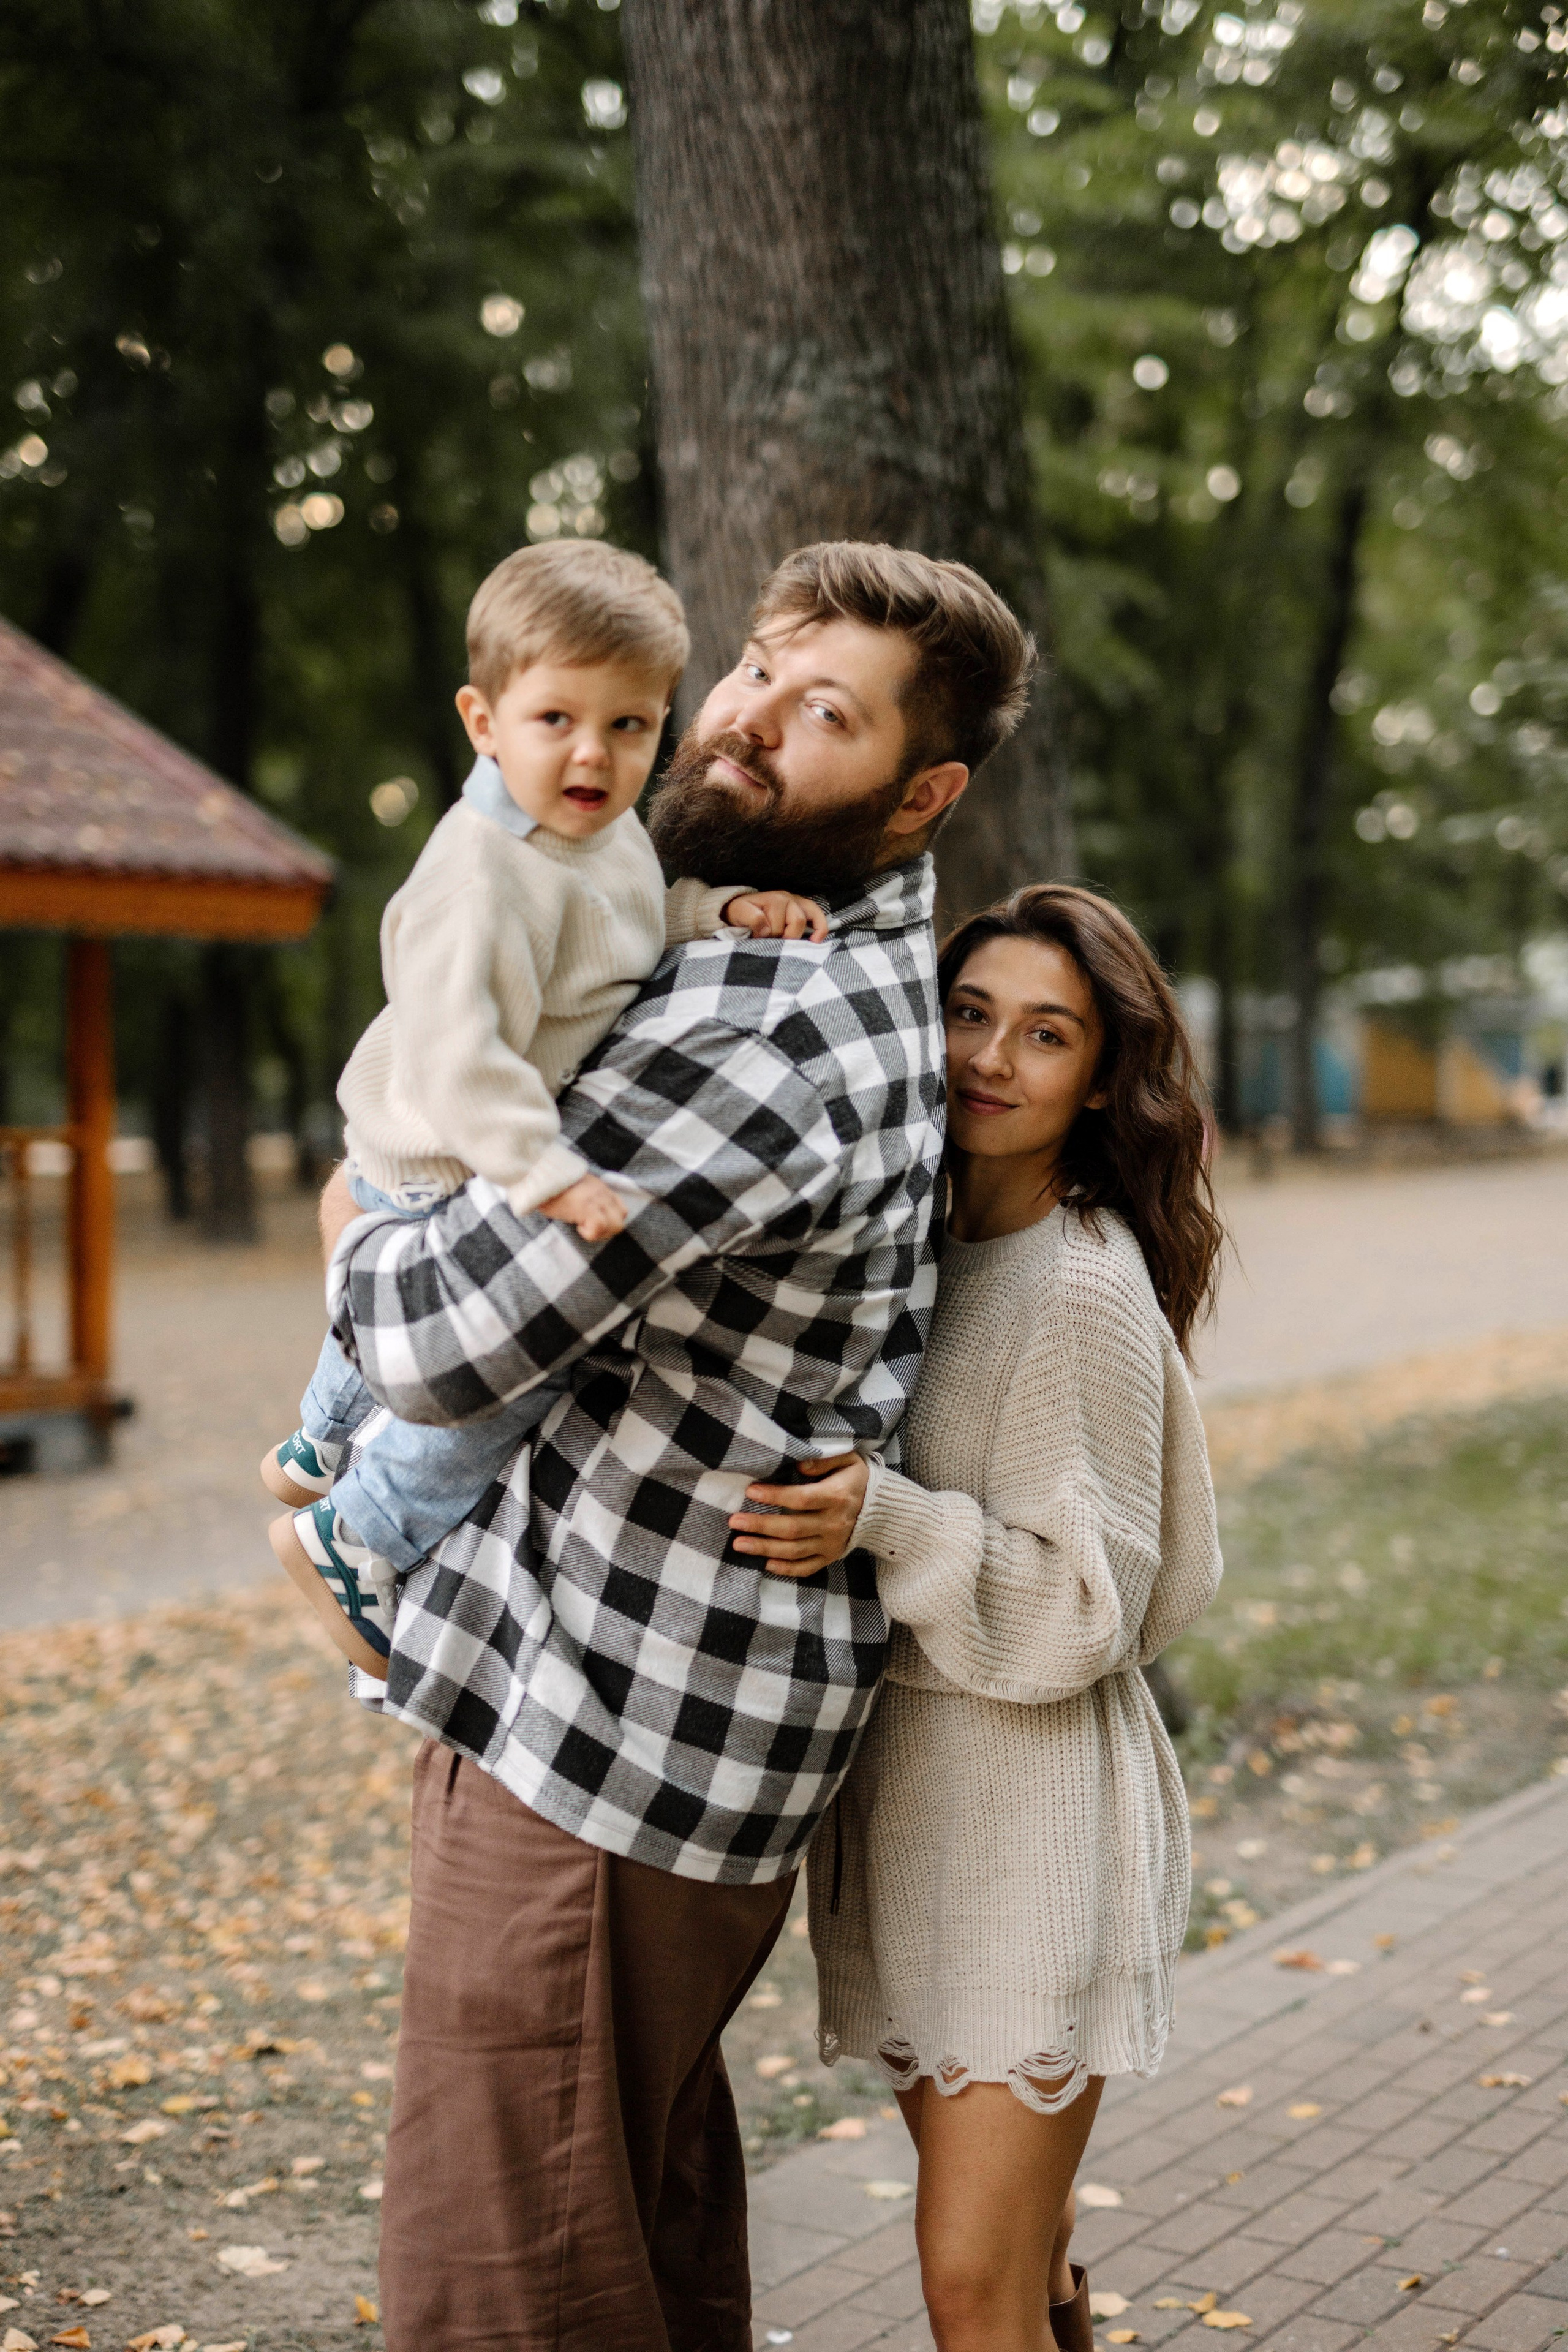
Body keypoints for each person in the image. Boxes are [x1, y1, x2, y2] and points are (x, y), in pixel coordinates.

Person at [318, 542, 1038, 2352]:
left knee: (507, 2287)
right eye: (758, 670)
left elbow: (436, 1339)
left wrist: (345, 1219)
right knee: (625, 2239)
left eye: (827, 714)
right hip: (667, 1739)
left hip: (601, 1742)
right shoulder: (764, 945)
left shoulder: (765, 1027)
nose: (743, 722)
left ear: (919, 792)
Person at [728, 884, 1225, 2352]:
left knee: (966, 2282)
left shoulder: (1076, 1282)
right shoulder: (914, 1246)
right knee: (1021, 2258)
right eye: (967, 1012)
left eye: (1045, 1034)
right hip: (918, 1821)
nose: (990, 1058)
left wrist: (883, 1515)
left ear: (1098, 1075)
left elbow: (1094, 1600)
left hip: (1034, 1833)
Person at [259, 537, 825, 1676]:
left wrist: (718, 912)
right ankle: (355, 1537)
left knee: (390, 1318)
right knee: (517, 1362)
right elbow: (462, 1056)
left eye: (630, 726)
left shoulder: (597, 832)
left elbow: (619, 931)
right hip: (443, 1151)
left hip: (459, 1148)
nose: (594, 754)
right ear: (483, 721)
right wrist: (543, 1172)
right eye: (557, 720)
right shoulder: (479, 877)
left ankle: (317, 1441)